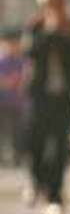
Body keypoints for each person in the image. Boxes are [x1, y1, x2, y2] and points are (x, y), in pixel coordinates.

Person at [24, 0, 70, 214]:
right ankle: (36, 182)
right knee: (36, 143)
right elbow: (31, 52)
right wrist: (50, 31)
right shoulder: (36, 26)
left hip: (63, 96)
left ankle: (55, 194)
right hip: (39, 96)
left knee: (60, 146)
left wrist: (64, 34)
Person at [0, 29, 28, 167]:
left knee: (17, 131)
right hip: (3, 102)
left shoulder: (21, 60)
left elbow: (26, 78)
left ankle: (17, 155)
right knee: (3, 130)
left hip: (18, 103)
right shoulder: (2, 60)